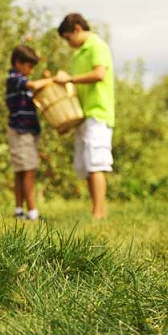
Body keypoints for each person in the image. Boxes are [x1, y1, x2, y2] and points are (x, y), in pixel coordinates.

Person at [54, 13, 115, 219]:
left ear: (78, 29)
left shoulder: (97, 46)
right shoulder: (78, 54)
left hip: (98, 112)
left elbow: (99, 74)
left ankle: (99, 213)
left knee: (97, 162)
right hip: (83, 115)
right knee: (86, 165)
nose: (68, 44)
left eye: (68, 38)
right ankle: (95, 210)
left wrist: (69, 79)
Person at [6, 45, 53, 221]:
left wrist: (46, 81)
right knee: (28, 170)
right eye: (29, 66)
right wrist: (52, 80)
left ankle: (19, 211)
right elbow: (33, 84)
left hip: (26, 130)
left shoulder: (21, 80)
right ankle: (33, 212)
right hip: (21, 130)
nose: (31, 71)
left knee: (21, 171)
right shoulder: (14, 78)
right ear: (18, 63)